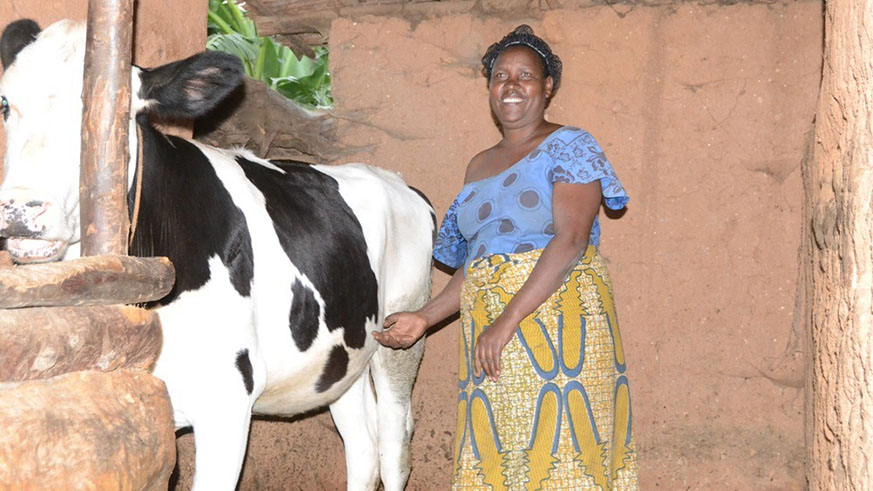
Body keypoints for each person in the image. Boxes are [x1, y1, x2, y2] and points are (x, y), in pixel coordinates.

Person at [374, 25, 639, 490]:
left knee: (563, 456)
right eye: (500, 76)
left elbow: (571, 240)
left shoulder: (572, 145)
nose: (511, 86)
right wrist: (423, 318)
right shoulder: (478, 165)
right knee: (503, 456)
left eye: (525, 76)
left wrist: (508, 319)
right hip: (491, 332)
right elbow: (477, 266)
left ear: (547, 87)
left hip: (558, 325)